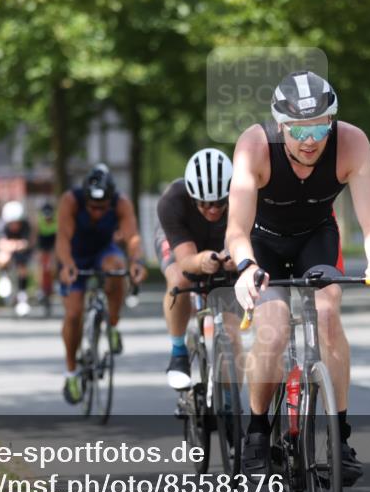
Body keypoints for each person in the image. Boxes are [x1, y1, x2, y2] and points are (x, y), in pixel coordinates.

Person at [226, 70, 370, 486]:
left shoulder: (352, 144)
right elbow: (235, 230)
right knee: (273, 326)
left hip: (315, 238)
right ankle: (256, 431)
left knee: (327, 314)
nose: (310, 140)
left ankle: (340, 438)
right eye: (299, 130)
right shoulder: (254, 146)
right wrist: (246, 268)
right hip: (262, 242)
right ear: (280, 125)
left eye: (320, 128)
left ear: (332, 122)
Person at [56, 164, 147, 404]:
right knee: (73, 314)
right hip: (75, 255)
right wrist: (66, 264)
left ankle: (113, 323)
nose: (97, 212)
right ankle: (71, 371)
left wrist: (136, 261)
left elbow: (132, 237)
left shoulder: (121, 203)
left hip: (103, 252)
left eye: (103, 207)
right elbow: (63, 238)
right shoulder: (71, 201)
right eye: (93, 207)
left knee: (117, 269)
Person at [155, 148, 238, 389]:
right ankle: (178, 352)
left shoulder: (243, 195)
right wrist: (202, 261)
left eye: (220, 203)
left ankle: (229, 398)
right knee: (180, 279)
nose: (213, 210)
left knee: (232, 331)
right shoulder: (172, 201)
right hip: (182, 242)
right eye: (205, 204)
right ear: (193, 197)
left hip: (220, 242)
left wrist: (234, 258)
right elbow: (186, 260)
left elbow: (243, 241)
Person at [0, 200, 33, 317]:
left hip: (21, 252)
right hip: (8, 250)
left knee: (23, 267)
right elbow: (1, 244)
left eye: (17, 223)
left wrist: (17, 245)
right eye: (12, 223)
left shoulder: (26, 225)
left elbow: (27, 243)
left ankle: (22, 296)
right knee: (3, 257)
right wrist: (16, 245)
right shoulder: (1, 225)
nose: (15, 226)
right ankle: (4, 277)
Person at [36, 201, 58, 303]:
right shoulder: (40, 222)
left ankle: (53, 285)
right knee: (42, 268)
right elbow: (37, 238)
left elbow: (58, 239)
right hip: (43, 246)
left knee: (53, 266)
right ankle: (41, 288)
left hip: (53, 245)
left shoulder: (56, 221)